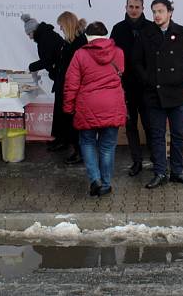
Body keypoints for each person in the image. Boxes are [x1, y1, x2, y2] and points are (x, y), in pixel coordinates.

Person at [133, 0, 183, 189]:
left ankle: (177, 172)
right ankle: (160, 172)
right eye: (154, 11)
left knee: (178, 135)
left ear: (170, 12)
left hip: (177, 93)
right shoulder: (145, 34)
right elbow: (136, 61)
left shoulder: (182, 32)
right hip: (154, 93)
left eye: (160, 11)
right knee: (157, 135)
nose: (156, 15)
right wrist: (147, 79)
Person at [63, 21, 126, 196]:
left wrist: (68, 107)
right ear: (106, 35)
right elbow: (120, 73)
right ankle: (105, 184)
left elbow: (71, 84)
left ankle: (95, 180)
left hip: (87, 106)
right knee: (107, 146)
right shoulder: (119, 53)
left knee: (88, 142)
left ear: (87, 37)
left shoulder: (79, 54)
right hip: (112, 104)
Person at [110, 0, 154, 177]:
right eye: (131, 6)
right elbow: (111, 57)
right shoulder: (118, 29)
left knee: (151, 125)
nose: (134, 10)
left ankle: (156, 160)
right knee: (130, 126)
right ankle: (136, 161)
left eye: (137, 7)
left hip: (148, 86)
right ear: (125, 7)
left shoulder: (152, 28)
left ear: (143, 8)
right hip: (126, 86)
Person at [22, 14, 66, 151]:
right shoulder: (46, 35)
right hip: (60, 75)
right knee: (59, 109)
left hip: (63, 76)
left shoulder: (45, 38)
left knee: (61, 110)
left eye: (29, 34)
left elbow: (47, 60)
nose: (29, 37)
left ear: (34, 31)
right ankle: (59, 139)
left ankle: (62, 140)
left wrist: (31, 67)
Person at [55, 11, 88, 165]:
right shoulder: (71, 42)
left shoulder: (78, 42)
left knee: (74, 121)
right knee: (70, 120)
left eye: (61, 26)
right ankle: (77, 150)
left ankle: (79, 152)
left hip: (74, 88)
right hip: (68, 86)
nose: (60, 29)